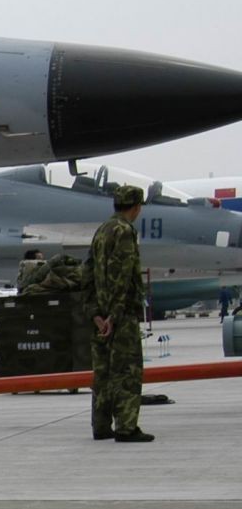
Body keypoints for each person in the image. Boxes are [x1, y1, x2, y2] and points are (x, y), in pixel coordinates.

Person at [88, 185, 152, 442]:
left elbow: (88, 273)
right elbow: (123, 275)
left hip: (100, 317)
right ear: (136, 207)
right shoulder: (125, 232)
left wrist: (96, 313)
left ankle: (101, 426)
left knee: (102, 372)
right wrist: (114, 315)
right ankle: (126, 427)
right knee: (126, 370)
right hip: (120, 316)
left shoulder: (101, 231)